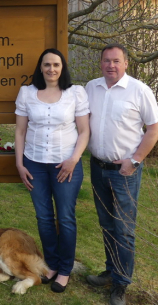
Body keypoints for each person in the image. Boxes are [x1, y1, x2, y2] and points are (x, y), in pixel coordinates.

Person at [85, 44, 158, 305]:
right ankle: (110, 271)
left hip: (125, 171)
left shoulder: (139, 90)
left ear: (126, 63)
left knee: (124, 229)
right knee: (106, 224)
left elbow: (153, 129)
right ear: (101, 63)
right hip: (98, 167)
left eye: (116, 61)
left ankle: (120, 285)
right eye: (106, 60)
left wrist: (135, 161)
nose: (111, 65)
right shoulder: (91, 88)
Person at [14, 48, 90, 293]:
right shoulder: (27, 93)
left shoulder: (75, 93)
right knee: (44, 218)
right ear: (40, 68)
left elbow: (84, 130)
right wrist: (19, 163)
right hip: (35, 163)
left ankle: (65, 270)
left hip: (65, 164)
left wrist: (73, 159)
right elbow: (20, 131)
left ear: (62, 67)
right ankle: (53, 265)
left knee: (65, 218)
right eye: (46, 65)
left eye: (56, 64)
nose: (51, 69)